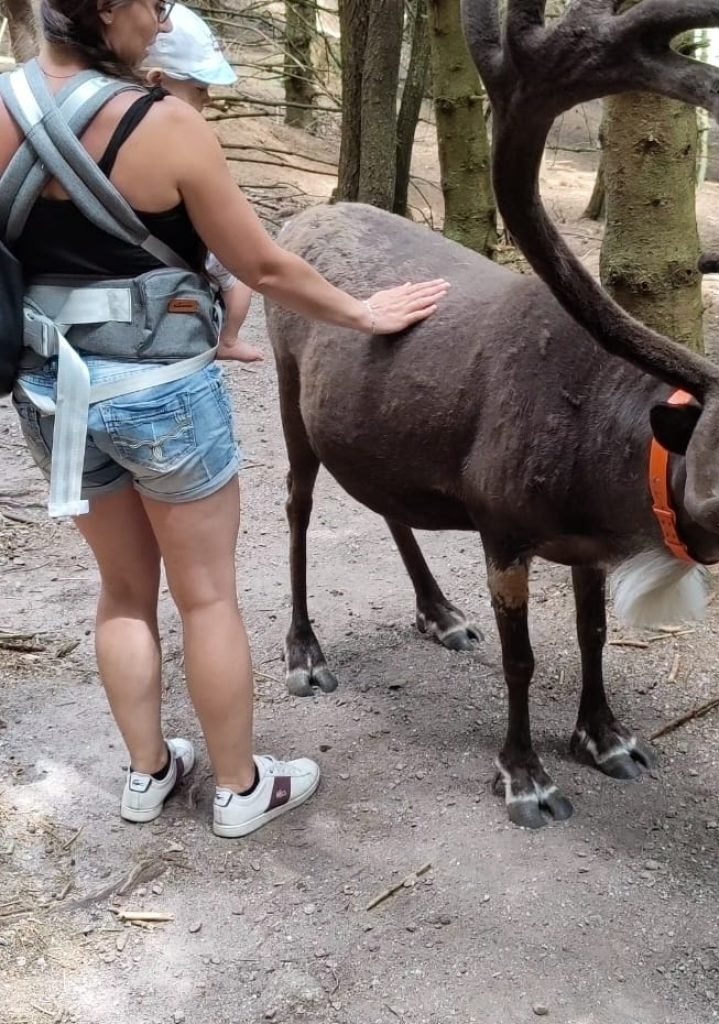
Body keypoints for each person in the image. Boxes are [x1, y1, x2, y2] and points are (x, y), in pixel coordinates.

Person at [1, 0, 449, 838]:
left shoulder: (2, 101)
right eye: (155, 5)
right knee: (206, 598)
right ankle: (241, 789)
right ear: (110, 9)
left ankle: (148, 774)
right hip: (162, 388)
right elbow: (262, 263)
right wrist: (361, 314)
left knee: (123, 592)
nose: (160, 20)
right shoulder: (165, 124)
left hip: (54, 394)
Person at [141, 3, 260, 363]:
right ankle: (230, 338)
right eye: (198, 88)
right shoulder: (183, 140)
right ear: (157, 80)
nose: (208, 98)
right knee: (239, 279)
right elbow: (260, 264)